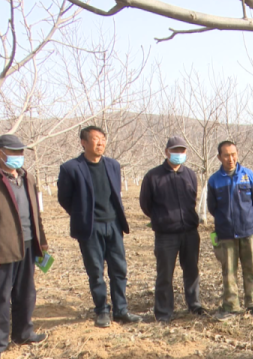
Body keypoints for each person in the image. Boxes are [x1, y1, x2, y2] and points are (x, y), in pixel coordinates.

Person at [57, 126, 142, 328]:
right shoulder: (71, 168)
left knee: (119, 269)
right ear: (83, 142)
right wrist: (83, 215)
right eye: (95, 139)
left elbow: (115, 193)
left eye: (103, 139)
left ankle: (121, 310)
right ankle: (102, 310)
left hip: (113, 224)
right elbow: (64, 198)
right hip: (90, 228)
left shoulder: (113, 165)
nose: (100, 143)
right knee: (96, 271)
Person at [139, 136, 206, 323]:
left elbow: (192, 200)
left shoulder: (190, 175)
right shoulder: (153, 176)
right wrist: (162, 218)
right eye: (175, 151)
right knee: (165, 274)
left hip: (190, 232)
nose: (179, 154)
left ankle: (194, 305)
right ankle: (163, 312)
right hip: (166, 235)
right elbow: (145, 204)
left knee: (192, 270)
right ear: (167, 152)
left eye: (182, 151)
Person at [0, 135, 48, 355]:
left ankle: (23, 333)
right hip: (4, 247)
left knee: (25, 292)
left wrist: (42, 242)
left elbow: (35, 213)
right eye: (13, 152)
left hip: (28, 243)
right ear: (1, 153)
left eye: (20, 152)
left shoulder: (26, 178)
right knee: (2, 295)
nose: (18, 156)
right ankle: (1, 341)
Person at [207, 141, 253, 321]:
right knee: (229, 271)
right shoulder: (214, 180)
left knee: (251, 268)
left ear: (237, 154)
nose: (230, 159)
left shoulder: (248, 175)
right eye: (226, 155)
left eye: (233, 154)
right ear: (219, 157)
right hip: (226, 233)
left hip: (248, 230)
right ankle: (231, 305)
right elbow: (212, 207)